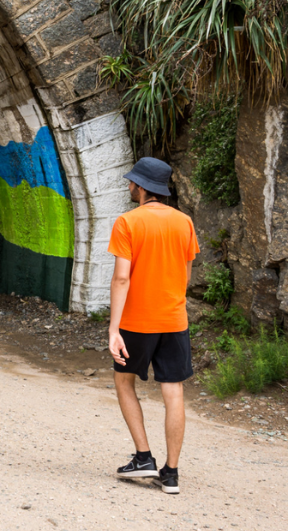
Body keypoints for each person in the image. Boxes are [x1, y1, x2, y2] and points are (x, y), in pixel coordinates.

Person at [107, 156, 199, 495]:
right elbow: (185, 276)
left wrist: (114, 329)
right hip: (174, 320)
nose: (130, 186)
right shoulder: (184, 222)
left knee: (124, 381)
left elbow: (121, 278)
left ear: (141, 187)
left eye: (132, 181)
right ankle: (171, 474)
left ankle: (144, 457)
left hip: (137, 320)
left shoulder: (127, 222)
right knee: (173, 391)